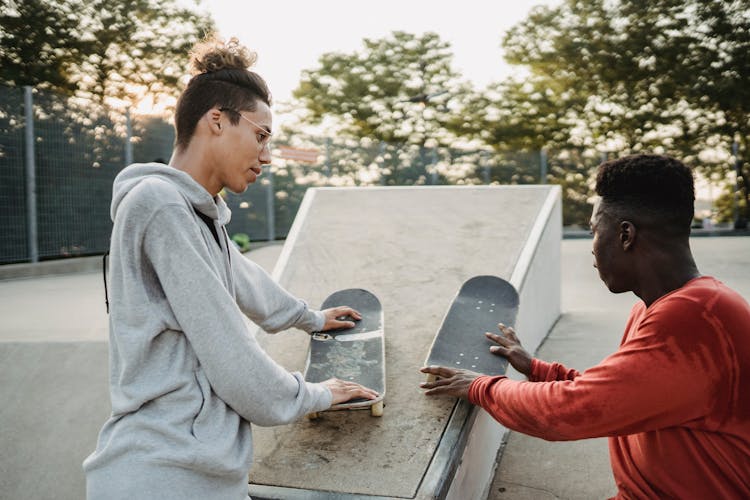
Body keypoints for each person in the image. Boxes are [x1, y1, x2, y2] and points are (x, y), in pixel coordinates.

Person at [83, 36, 377, 499]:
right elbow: (231, 353)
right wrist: (314, 393)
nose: (266, 156)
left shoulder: (199, 216)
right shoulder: (160, 204)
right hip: (162, 474)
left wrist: (311, 318)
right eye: (261, 136)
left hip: (196, 473)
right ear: (216, 120)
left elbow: (242, 277)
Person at [420, 154, 750, 498]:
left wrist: (482, 388)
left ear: (626, 234)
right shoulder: (668, 307)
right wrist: (537, 368)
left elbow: (570, 411)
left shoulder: (694, 319)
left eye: (595, 230)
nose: (592, 249)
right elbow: (614, 393)